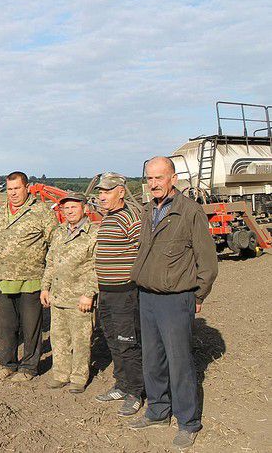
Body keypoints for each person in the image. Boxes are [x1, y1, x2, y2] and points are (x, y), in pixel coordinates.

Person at [128, 157, 218, 450]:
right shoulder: (147, 211)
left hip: (176, 299)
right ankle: (157, 411)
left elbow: (208, 263)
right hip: (147, 296)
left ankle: (188, 422)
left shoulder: (189, 211)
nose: (153, 184)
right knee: (152, 359)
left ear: (173, 178)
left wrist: (197, 296)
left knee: (179, 363)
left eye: (159, 178)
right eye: (149, 179)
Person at [0, 171, 57, 382]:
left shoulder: (41, 212)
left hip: (31, 279)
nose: (13, 193)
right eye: (9, 189)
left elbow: (54, 245)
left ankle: (29, 367)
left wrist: (49, 280)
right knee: (6, 327)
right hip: (4, 280)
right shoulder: (1, 212)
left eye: (17, 188)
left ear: (26, 188)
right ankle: (7, 364)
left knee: (31, 328)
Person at [94, 172, 145, 416]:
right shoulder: (109, 217)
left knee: (128, 343)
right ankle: (122, 384)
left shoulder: (131, 217)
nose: (101, 196)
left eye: (107, 191)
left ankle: (135, 391)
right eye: (100, 192)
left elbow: (142, 252)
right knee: (113, 341)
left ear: (121, 192)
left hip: (125, 294)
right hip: (106, 293)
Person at [40, 192, 97, 393]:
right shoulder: (59, 232)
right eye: (66, 208)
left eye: (74, 207)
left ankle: (79, 377)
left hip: (79, 298)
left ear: (84, 208)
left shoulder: (93, 233)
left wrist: (89, 294)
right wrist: (45, 287)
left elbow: (97, 267)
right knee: (58, 338)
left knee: (81, 340)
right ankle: (61, 374)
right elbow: (51, 262)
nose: (69, 211)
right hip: (58, 296)